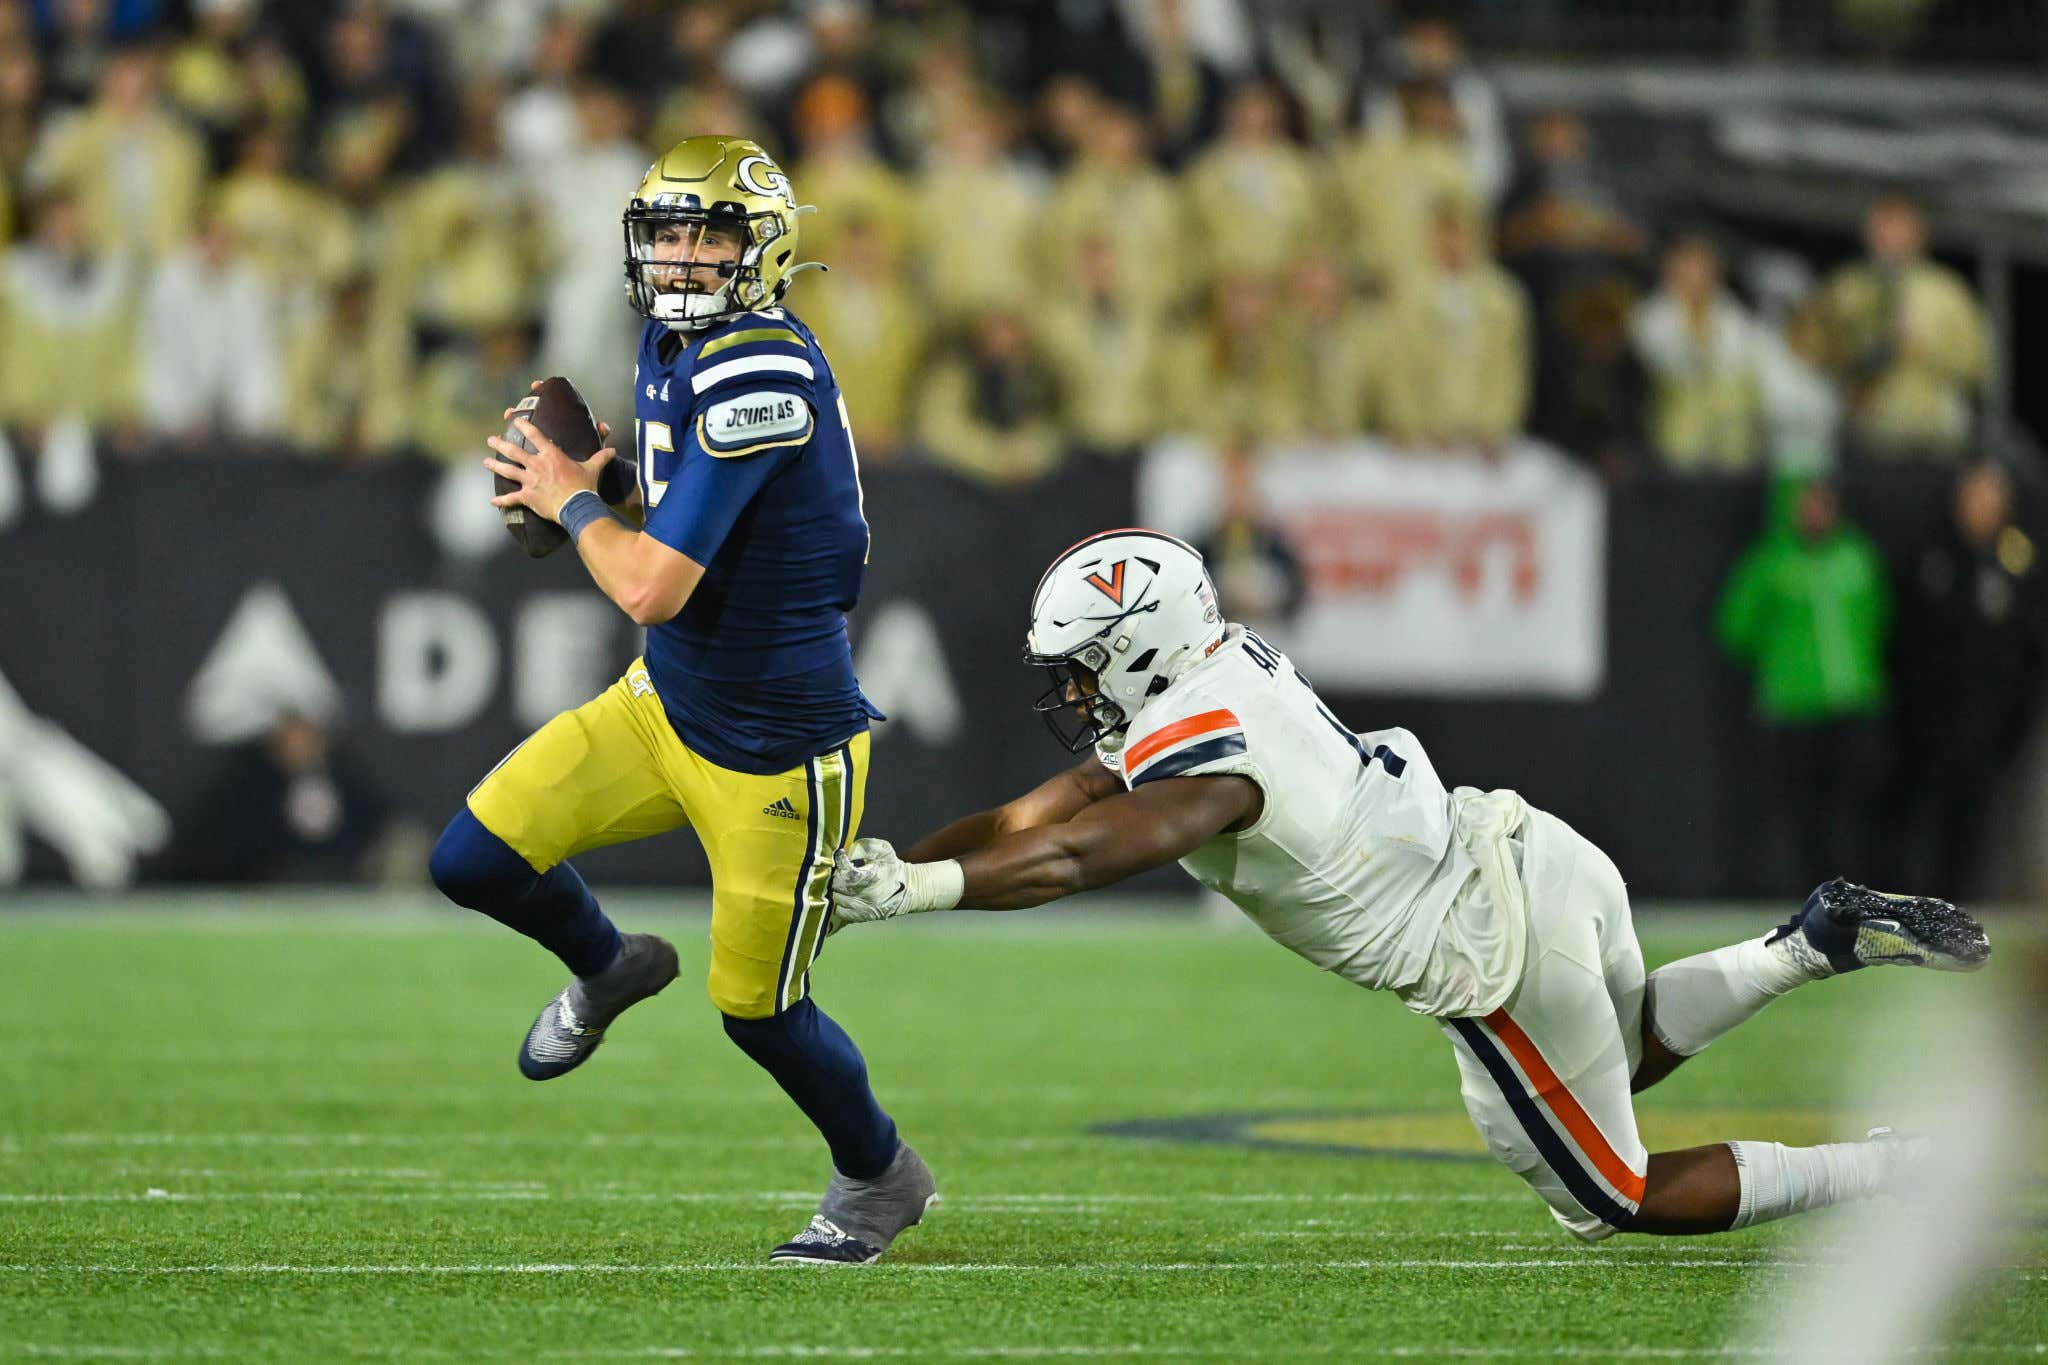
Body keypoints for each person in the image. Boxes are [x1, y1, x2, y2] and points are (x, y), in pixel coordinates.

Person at [828, 529, 1989, 1245]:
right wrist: (893, 867)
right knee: (1614, 1055)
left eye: (1082, 669)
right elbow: (1045, 813)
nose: (1075, 694)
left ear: (1135, 648)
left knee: (1605, 1196)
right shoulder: (1218, 670)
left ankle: (1899, 1168)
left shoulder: (1206, 760)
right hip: (1536, 858)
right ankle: (1806, 944)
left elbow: (1086, 851)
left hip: (1493, 953)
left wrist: (926, 898)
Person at [432, 136, 934, 1267]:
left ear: (764, 249)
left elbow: (653, 585)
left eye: (710, 234)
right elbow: (683, 512)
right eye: (666, 231)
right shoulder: (676, 338)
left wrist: (569, 503)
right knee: (472, 859)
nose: (683, 254)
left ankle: (879, 1173)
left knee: (759, 1014)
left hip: (779, 748)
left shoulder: (758, 366)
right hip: (667, 704)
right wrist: (611, 484)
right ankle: (607, 963)